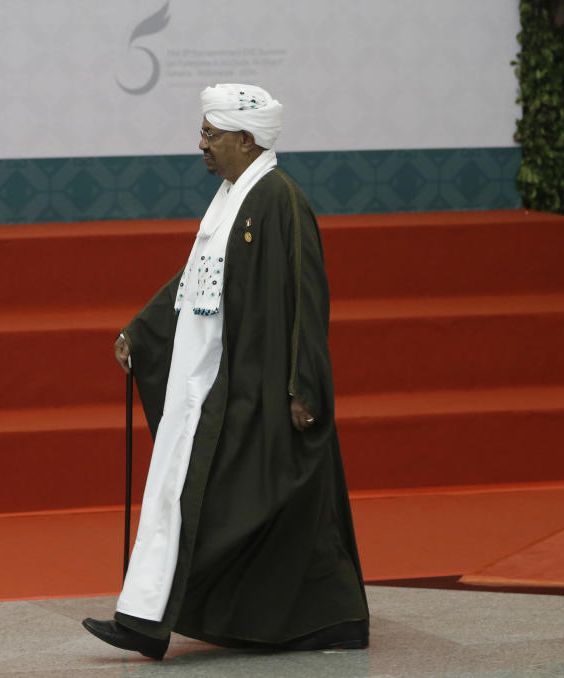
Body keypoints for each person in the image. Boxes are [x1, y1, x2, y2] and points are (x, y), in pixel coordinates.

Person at [82, 84, 369, 660]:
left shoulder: (280, 200)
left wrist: (302, 384)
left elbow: (309, 298)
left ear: (245, 138)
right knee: (213, 502)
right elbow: (194, 281)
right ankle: (148, 619)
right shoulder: (232, 197)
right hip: (214, 381)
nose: (202, 145)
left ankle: (324, 617)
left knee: (240, 507)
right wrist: (143, 331)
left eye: (211, 135)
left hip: (257, 387)